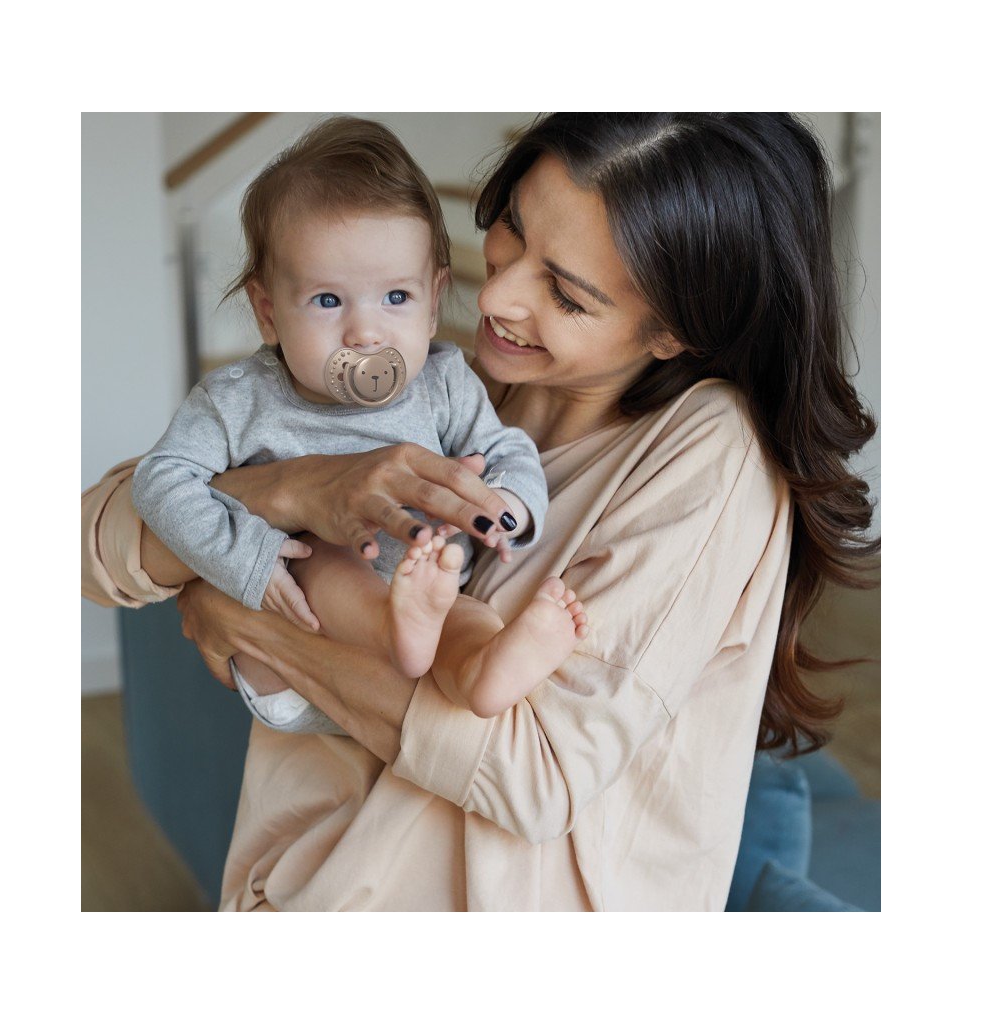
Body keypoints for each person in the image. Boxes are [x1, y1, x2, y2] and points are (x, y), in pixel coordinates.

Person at [82, 113, 878, 911]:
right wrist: (292, 491)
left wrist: (255, 623)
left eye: (564, 293)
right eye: (513, 227)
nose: (493, 294)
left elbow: (535, 779)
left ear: (672, 330)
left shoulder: (708, 454)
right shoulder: (463, 381)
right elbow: (94, 541)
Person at [131, 117, 586, 729]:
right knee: (321, 553)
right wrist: (249, 558)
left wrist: (504, 505)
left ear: (432, 302)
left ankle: (483, 669)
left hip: (420, 625)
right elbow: (161, 479)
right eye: (328, 300)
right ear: (268, 312)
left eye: (396, 298)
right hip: (295, 642)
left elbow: (506, 451)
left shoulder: (445, 382)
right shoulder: (238, 399)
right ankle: (396, 624)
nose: (366, 332)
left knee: (458, 602)